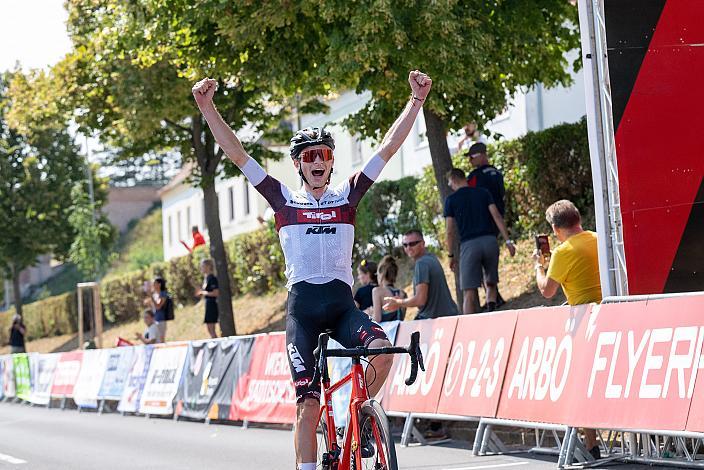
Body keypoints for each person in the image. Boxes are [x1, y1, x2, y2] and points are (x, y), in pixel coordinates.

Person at [192, 69, 432, 470]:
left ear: (332, 162)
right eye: (309, 157)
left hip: (341, 306)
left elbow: (387, 149)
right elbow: (238, 155)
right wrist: (207, 107)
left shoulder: (347, 195)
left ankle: (360, 416)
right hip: (302, 309)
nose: (317, 161)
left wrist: (416, 102)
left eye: (324, 155)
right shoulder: (282, 199)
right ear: (299, 166)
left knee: (383, 354)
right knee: (307, 406)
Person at [534, 199, 602, 459]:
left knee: (581, 385)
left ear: (555, 228)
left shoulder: (563, 252)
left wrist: (539, 266)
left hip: (584, 322)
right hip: (609, 314)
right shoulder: (597, 238)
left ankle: (592, 445)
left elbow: (547, 290)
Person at [444, 168, 516, 314]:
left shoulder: (451, 200)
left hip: (469, 245)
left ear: (453, 179)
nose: (449, 185)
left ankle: (467, 329)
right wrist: (508, 241)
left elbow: (450, 230)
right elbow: (497, 216)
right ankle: (491, 313)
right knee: (491, 283)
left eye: (449, 182)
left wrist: (451, 255)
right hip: (489, 241)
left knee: (469, 292)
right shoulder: (483, 192)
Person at [383, 229, 458, 320]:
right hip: (449, 315)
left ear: (423, 243)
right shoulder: (432, 258)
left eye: (412, 244)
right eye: (405, 245)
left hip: (434, 319)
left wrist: (398, 302)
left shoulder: (421, 263)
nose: (408, 248)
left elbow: (420, 299)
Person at [371, 255, 407, 323]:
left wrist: (369, 314)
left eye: (377, 274)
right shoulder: (403, 293)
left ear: (382, 274)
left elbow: (377, 319)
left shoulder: (377, 291)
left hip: (386, 332)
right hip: (400, 331)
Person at [195, 259, 220, 338]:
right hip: (208, 304)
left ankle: (216, 344)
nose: (201, 268)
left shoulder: (212, 278)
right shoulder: (206, 278)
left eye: (203, 266)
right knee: (209, 328)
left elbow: (216, 293)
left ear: (208, 266)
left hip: (212, 304)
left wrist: (203, 293)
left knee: (211, 328)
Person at [144, 277, 168, 343]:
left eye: (154, 283)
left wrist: (151, 296)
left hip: (161, 320)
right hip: (156, 319)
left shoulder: (163, 293)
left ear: (159, 284)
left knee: (161, 339)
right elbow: (154, 308)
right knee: (157, 339)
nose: (153, 285)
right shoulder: (155, 294)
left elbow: (158, 306)